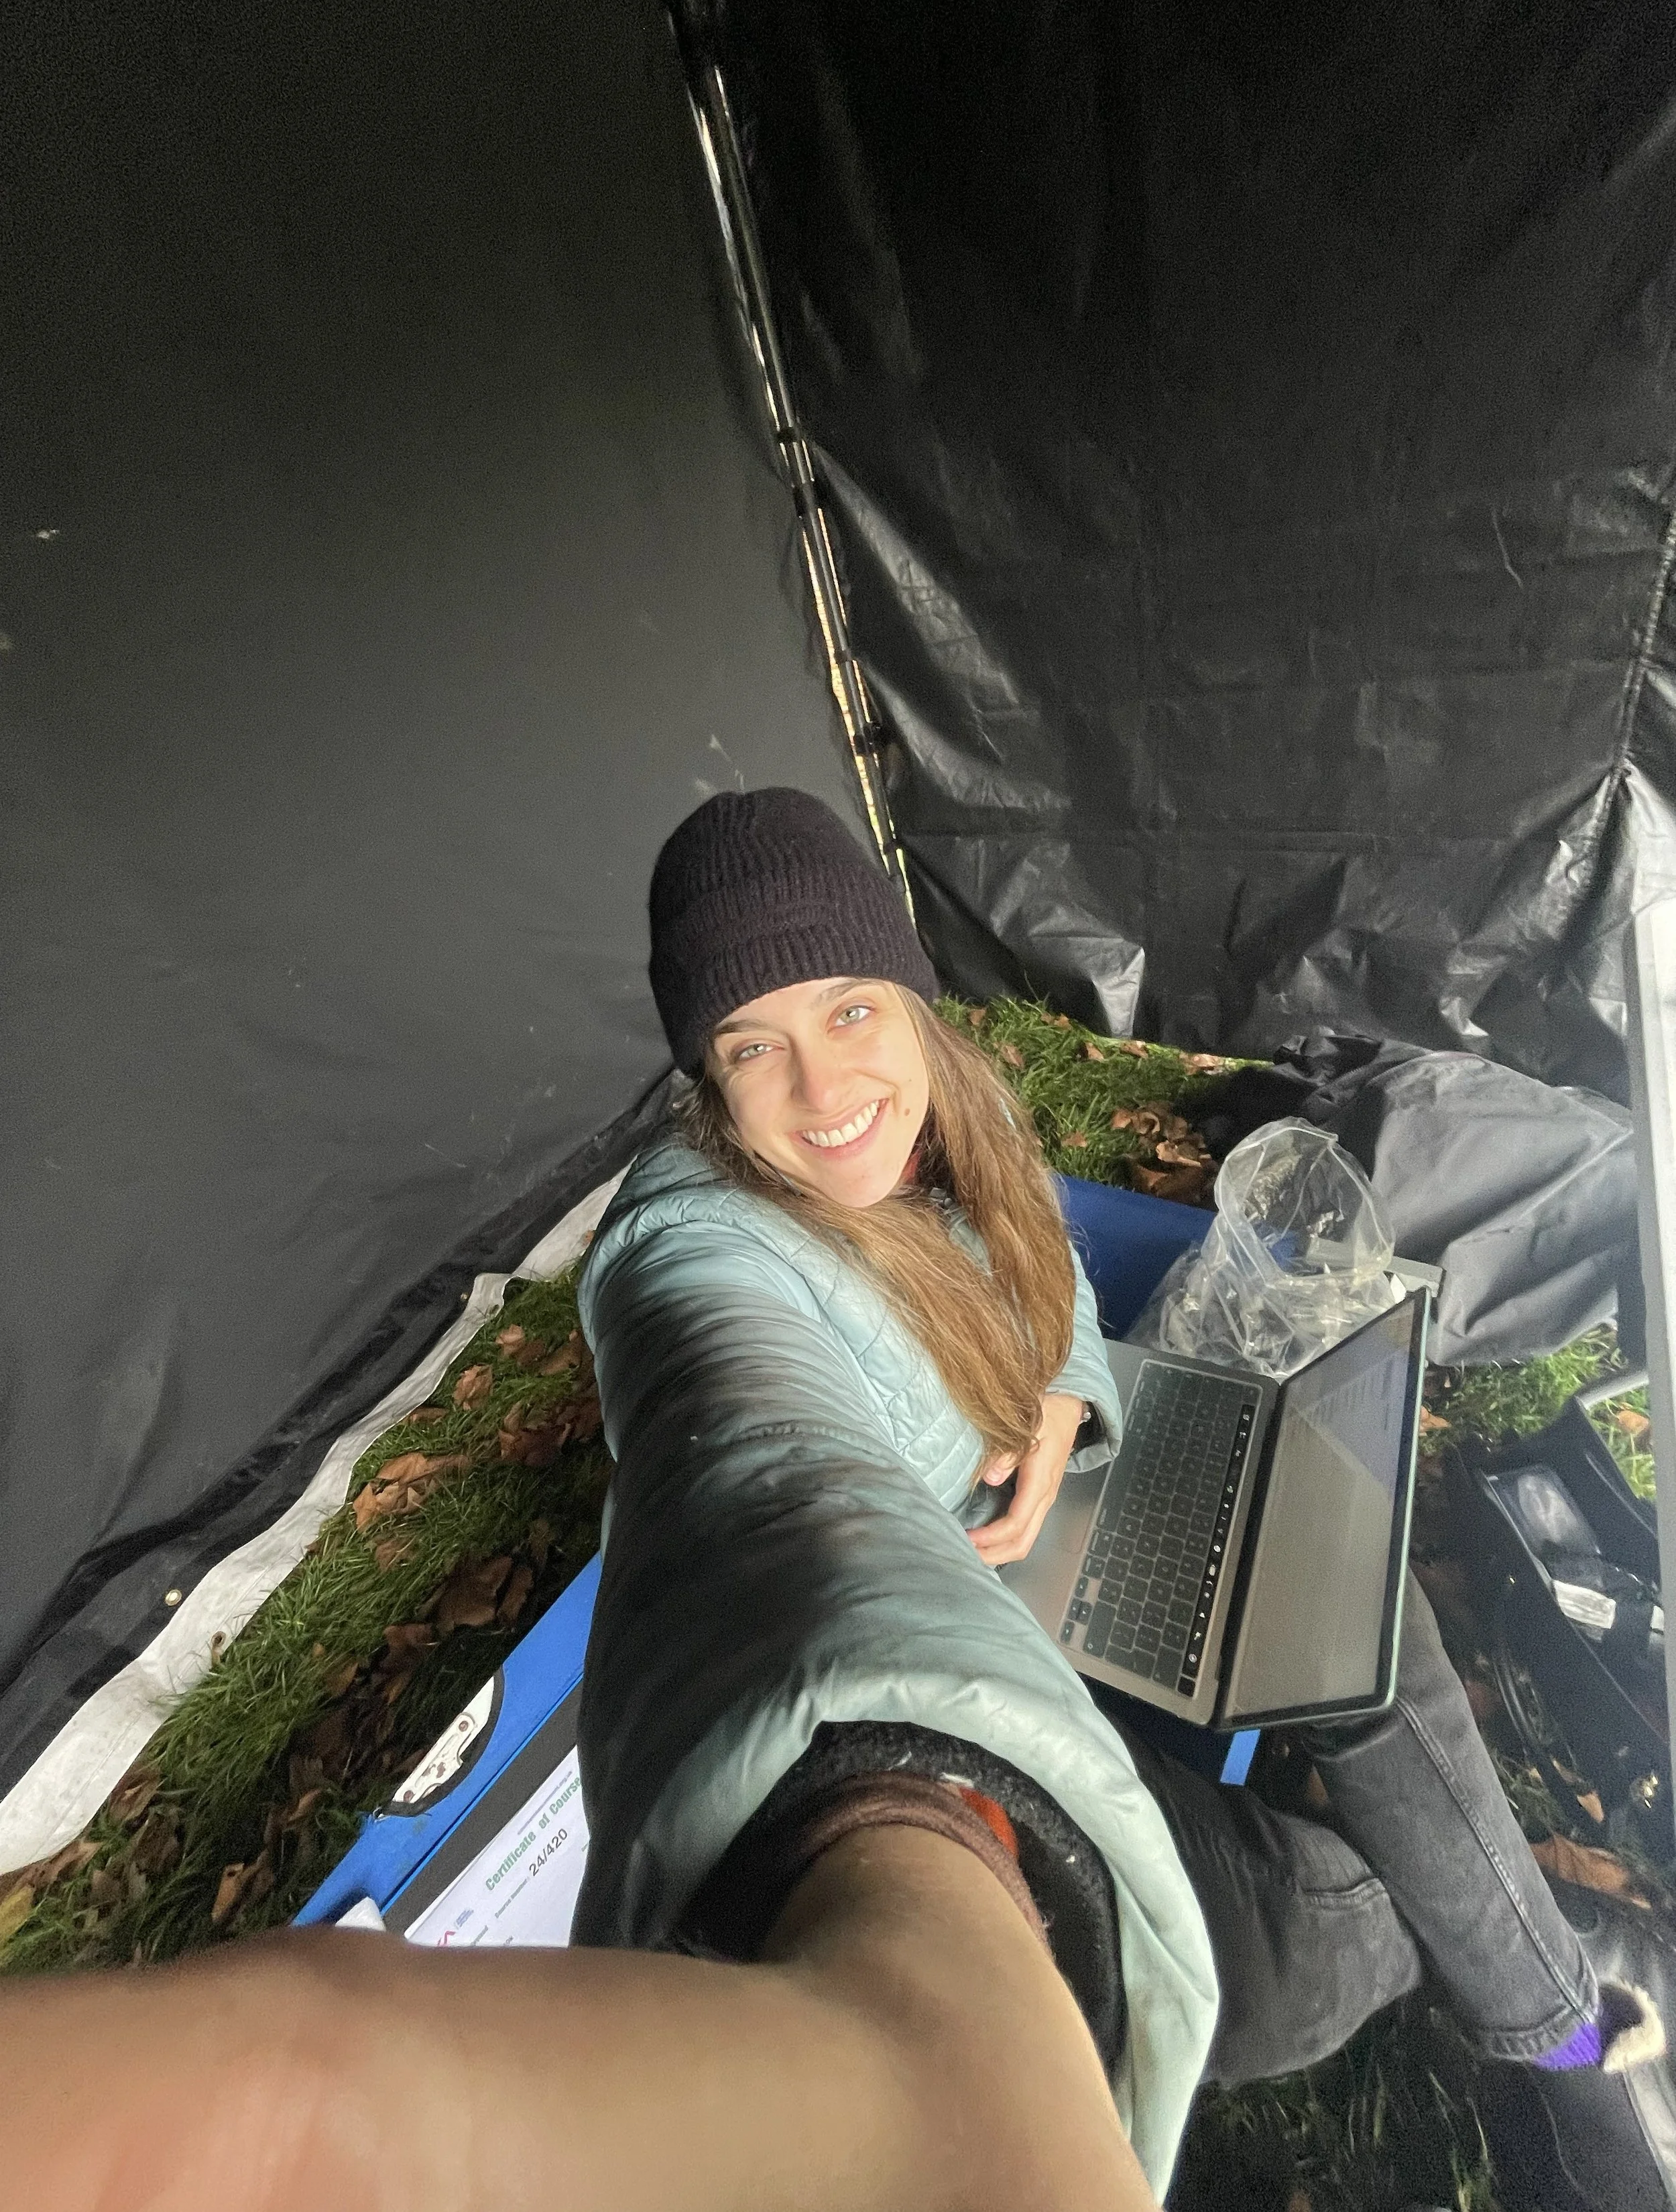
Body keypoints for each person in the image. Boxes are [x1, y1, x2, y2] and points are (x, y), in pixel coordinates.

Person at [5, 786, 1673, 2211]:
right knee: (1296, 1965)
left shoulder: (948, 1106)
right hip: (966, 1659)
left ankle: (1537, 1992)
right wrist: (900, 1818)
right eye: (753, 1044)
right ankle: (1547, 2008)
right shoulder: (690, 1246)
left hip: (1068, 1527)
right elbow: (755, 1470)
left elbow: (1053, 1289)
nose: (824, 1092)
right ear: (701, 1081)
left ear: (905, 992)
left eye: (849, 1008)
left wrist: (1064, 1395)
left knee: (1367, 1642)